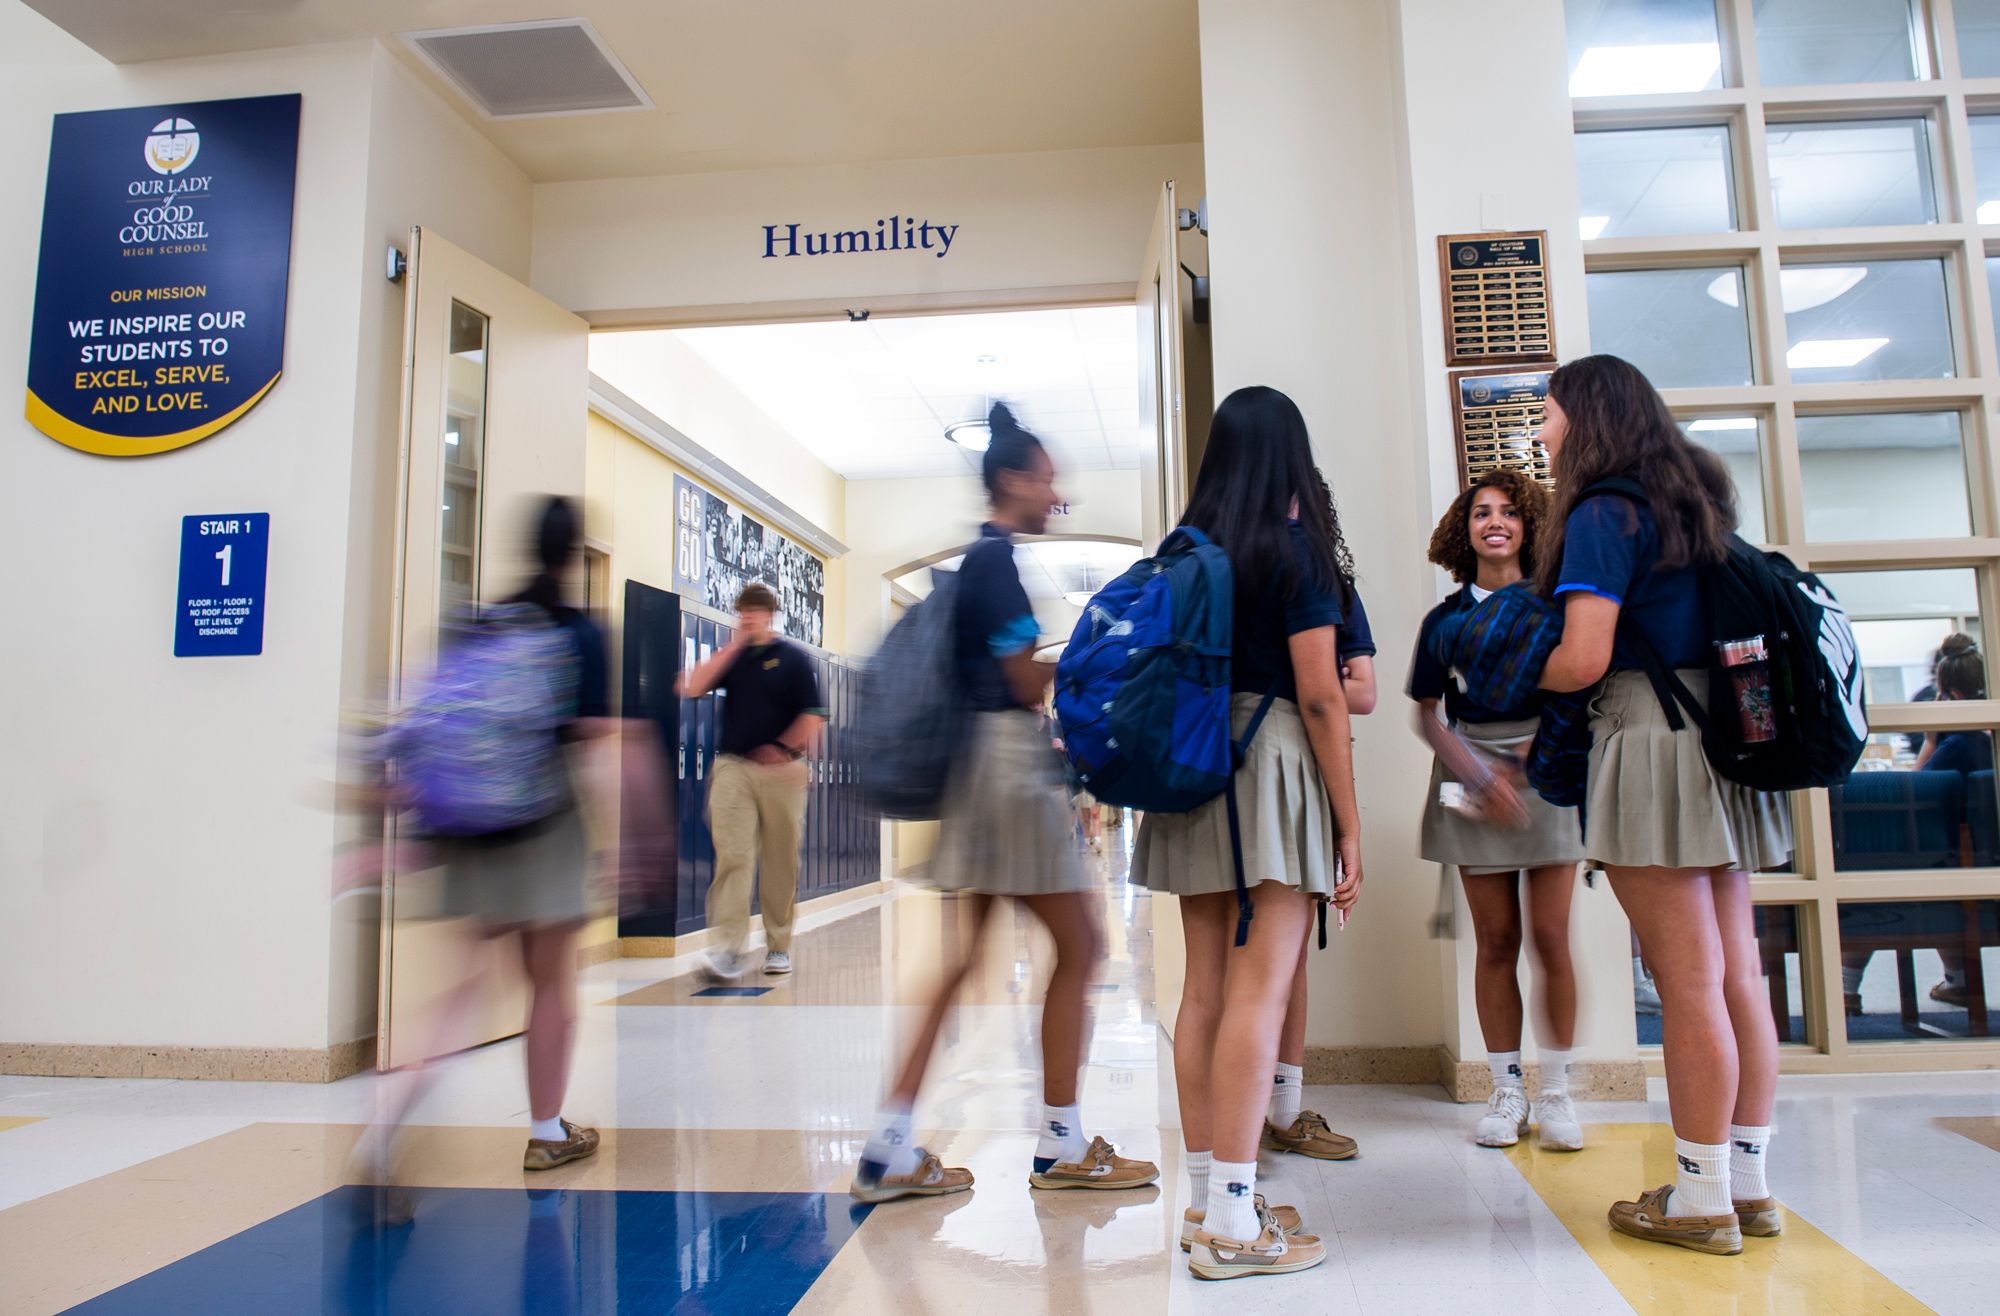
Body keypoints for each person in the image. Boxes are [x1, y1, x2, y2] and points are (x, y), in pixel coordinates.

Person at [851, 403, 1158, 1204]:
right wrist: (1096, 666)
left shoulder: (984, 564)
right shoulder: (995, 566)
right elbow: (1023, 681)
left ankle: (890, 1146)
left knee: (964, 962)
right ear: (1013, 479)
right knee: (1084, 947)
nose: (1056, 495)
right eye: (1048, 479)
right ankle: (1059, 1142)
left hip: (979, 772)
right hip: (1004, 769)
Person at [1534, 355, 1792, 1256]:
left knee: (1685, 984)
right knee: (1735, 977)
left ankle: (1699, 1198)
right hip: (1719, 735)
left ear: (1591, 417)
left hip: (1650, 739)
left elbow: (1585, 655)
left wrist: (1517, 671)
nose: (1540, 430)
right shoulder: (1696, 496)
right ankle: (1749, 1184)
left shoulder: (1606, 509)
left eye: (1550, 413)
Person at [1134, 386, 1362, 1281]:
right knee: (1262, 993)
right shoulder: (1295, 548)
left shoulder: (1181, 552)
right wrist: (1350, 821)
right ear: (1290, 457)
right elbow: (1320, 693)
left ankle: (1208, 1192)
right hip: (1269, 761)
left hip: (1190, 764)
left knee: (1204, 991)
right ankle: (1233, 1220)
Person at [377, 495, 612, 1174]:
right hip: (547, 818)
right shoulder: (579, 632)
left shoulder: (476, 625)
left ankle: (385, 1125)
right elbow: (597, 746)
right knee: (549, 984)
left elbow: (427, 727)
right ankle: (546, 1130)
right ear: (574, 554)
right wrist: (630, 840)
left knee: (464, 985)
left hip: (470, 826)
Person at [1411, 469, 1587, 1151]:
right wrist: (1482, 774)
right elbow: (1428, 718)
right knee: (1496, 942)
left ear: (1528, 526)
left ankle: (1560, 1094)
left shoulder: (1555, 610)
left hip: (1547, 773)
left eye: (1510, 513)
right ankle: (1506, 1089)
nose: (1495, 522)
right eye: (1481, 512)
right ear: (1465, 529)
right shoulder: (1445, 621)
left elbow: (1575, 698)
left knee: (1551, 939)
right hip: (1469, 779)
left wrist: (1524, 766)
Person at [1262, 576, 1372, 1165]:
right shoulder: (1231, 572)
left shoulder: (1333, 586)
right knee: (1253, 966)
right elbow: (1331, 689)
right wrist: (1310, 674)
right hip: (1271, 762)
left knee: (1287, 951)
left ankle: (1280, 1111)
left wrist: (1302, 677)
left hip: (1292, 761)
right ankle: (1249, 1131)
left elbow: (1363, 691)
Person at [677, 582, 826, 980]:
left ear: (769, 615)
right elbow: (691, 686)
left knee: (780, 860)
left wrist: (782, 749)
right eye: (742, 611)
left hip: (781, 771)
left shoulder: (793, 659)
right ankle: (728, 949)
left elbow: (813, 715)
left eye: (754, 611)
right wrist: (731, 647)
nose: (747, 617)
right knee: (734, 856)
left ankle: (778, 946)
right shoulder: (733, 657)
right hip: (733, 767)